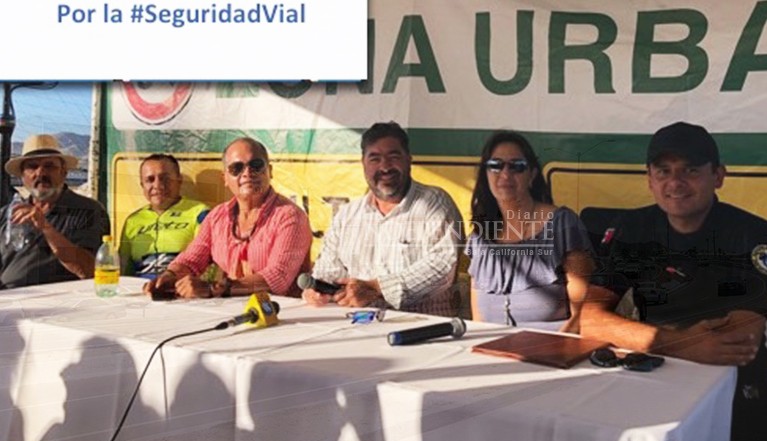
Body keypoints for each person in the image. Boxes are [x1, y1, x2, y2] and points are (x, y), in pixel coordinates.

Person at [581, 122, 767, 441]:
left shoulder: (750, 232)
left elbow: (740, 340)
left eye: (690, 170)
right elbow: (591, 320)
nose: (675, 182)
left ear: (718, 176)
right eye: (663, 171)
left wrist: (639, 335)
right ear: (649, 179)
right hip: (655, 374)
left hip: (734, 385)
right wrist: (685, 344)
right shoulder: (632, 229)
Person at [303, 122, 463, 316]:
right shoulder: (347, 215)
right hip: (358, 325)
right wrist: (318, 289)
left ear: (409, 160)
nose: (385, 167)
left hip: (424, 328)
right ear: (363, 164)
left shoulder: (435, 203)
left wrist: (377, 288)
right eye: (375, 159)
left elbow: (442, 269)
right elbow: (328, 270)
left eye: (393, 157)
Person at [144, 137, 312, 298]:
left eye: (256, 165)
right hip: (232, 310)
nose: (247, 173)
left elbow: (278, 277)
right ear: (225, 178)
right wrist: (168, 277)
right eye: (236, 168)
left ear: (270, 171)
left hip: (284, 316)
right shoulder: (217, 217)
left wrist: (214, 289)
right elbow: (191, 260)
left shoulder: (290, 216)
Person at [466, 131, 594, 332]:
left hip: (553, 353)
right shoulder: (480, 236)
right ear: (485, 174)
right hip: (494, 354)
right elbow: (478, 322)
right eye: (495, 165)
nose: (505, 175)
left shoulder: (563, 225)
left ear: (532, 175)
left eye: (517, 166)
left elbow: (583, 314)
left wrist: (548, 356)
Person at [0, 134, 109, 288]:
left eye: (49, 166)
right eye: (32, 166)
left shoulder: (88, 211)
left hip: (61, 303)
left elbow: (89, 271)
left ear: (63, 172)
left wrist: (45, 227)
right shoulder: (7, 214)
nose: (41, 173)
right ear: (22, 176)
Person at [119, 154, 209, 279]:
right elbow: (123, 267)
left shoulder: (199, 213)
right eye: (150, 180)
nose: (158, 185)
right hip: (140, 290)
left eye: (165, 179)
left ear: (179, 180)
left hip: (183, 289)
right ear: (142, 185)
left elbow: (208, 261)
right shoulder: (133, 220)